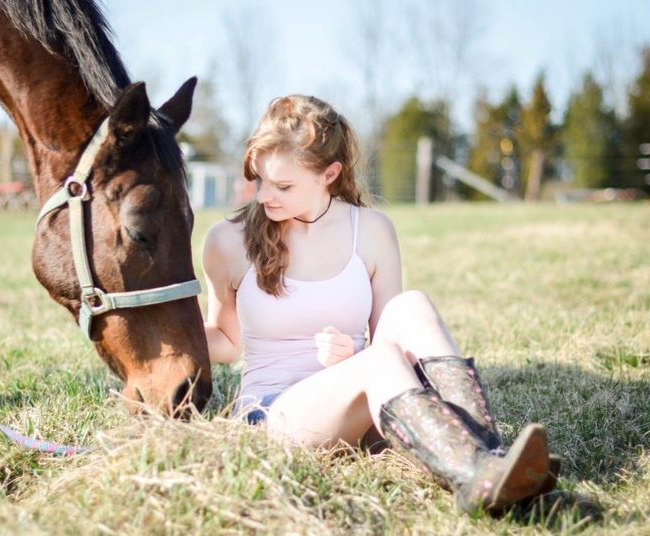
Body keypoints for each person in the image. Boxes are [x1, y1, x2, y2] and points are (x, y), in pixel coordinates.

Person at [201, 95, 556, 514]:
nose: (264, 196)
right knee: (380, 360)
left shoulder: (371, 230)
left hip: (367, 410)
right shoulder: (227, 240)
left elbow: (390, 333)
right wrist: (163, 320)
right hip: (276, 414)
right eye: (259, 179)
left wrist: (352, 356)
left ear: (329, 174)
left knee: (412, 305)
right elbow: (226, 342)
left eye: (283, 186)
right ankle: (476, 476)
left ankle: (491, 456)